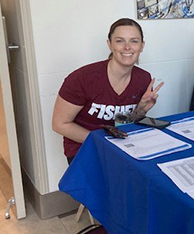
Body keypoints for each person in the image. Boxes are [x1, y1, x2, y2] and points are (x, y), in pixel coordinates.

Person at [52, 18, 163, 164]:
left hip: (122, 146)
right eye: (120, 41)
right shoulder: (82, 78)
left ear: (142, 46)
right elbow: (60, 124)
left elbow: (126, 121)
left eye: (134, 41)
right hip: (85, 148)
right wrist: (104, 143)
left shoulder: (143, 78)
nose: (127, 47)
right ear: (109, 44)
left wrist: (140, 111)